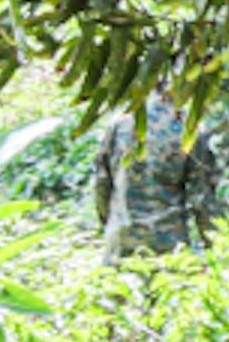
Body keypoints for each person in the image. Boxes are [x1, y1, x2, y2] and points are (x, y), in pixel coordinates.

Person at [91, 93, 217, 259]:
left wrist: (109, 223)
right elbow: (201, 199)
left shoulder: (119, 123)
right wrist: (213, 248)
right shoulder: (189, 129)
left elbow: (101, 184)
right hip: (168, 245)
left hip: (121, 240)